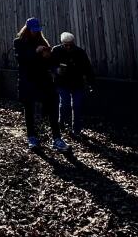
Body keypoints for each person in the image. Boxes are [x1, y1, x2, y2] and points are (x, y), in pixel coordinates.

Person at [13, 17, 62, 152]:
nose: (35, 33)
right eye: (33, 31)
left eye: (37, 31)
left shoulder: (42, 41)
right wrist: (36, 52)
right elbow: (21, 59)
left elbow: (48, 62)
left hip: (43, 81)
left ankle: (57, 138)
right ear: (27, 30)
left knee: (52, 108)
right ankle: (32, 137)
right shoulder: (19, 42)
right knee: (29, 110)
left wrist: (49, 58)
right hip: (27, 81)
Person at [52, 31, 94, 136]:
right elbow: (50, 64)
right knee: (64, 104)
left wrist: (90, 82)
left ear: (73, 42)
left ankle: (76, 129)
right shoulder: (56, 51)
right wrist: (57, 70)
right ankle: (61, 123)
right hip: (62, 82)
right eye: (66, 45)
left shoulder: (80, 52)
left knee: (77, 106)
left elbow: (87, 68)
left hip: (77, 82)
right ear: (62, 43)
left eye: (70, 44)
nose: (68, 47)